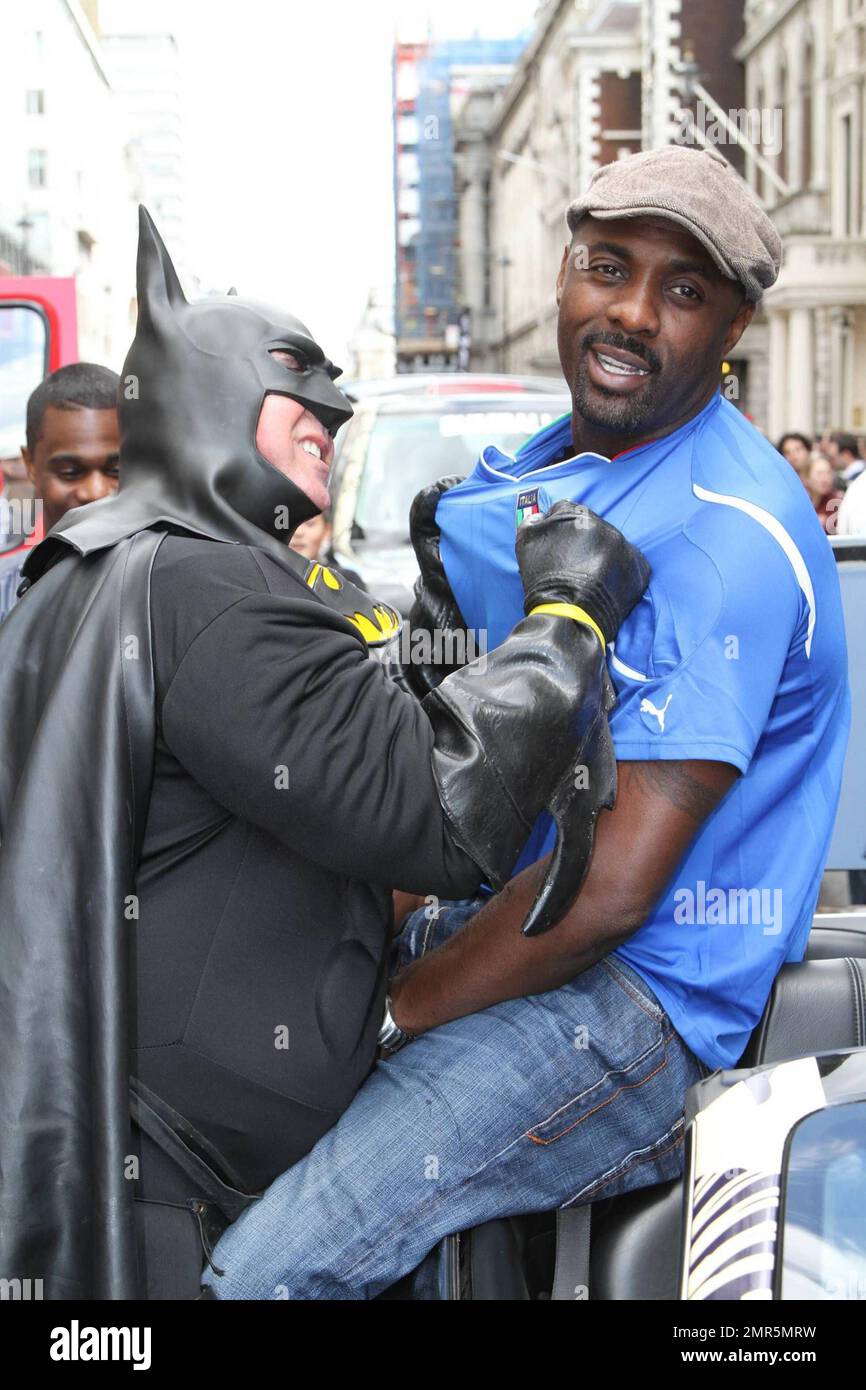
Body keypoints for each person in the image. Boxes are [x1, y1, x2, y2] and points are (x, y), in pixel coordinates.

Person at [203, 145, 849, 1301]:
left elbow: (604, 900)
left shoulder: (724, 536)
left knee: (266, 1273)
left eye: (685, 291)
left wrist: (390, 1013)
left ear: (736, 325)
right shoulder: (545, 466)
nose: (632, 312)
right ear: (562, 276)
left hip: (633, 1004)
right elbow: (447, 746)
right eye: (608, 267)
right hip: (502, 913)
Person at [0, 208, 648, 1300]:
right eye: (299, 393)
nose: (331, 417)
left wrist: (436, 625)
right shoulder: (209, 584)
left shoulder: (96, 564)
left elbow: (309, 742)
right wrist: (566, 620)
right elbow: (437, 813)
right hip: (171, 1186)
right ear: (212, 399)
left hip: (141, 1143)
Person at [0, 362, 120, 623]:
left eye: (116, 470)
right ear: (30, 463)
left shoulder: (170, 588)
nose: (95, 491)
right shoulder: (4, 595)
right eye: (69, 472)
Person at [804, 453, 843, 533]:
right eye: (819, 474)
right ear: (807, 477)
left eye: (828, 473)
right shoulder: (801, 502)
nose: (825, 479)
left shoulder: (837, 502)